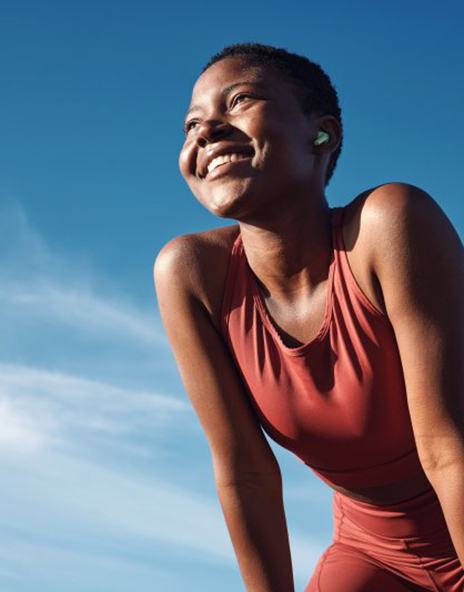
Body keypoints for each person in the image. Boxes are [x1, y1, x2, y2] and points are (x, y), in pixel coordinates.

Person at [154, 43, 464, 591]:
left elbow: (447, 449)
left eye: (240, 100)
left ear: (322, 134)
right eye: (192, 124)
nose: (206, 132)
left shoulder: (390, 225)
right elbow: (245, 473)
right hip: (377, 552)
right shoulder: (191, 275)